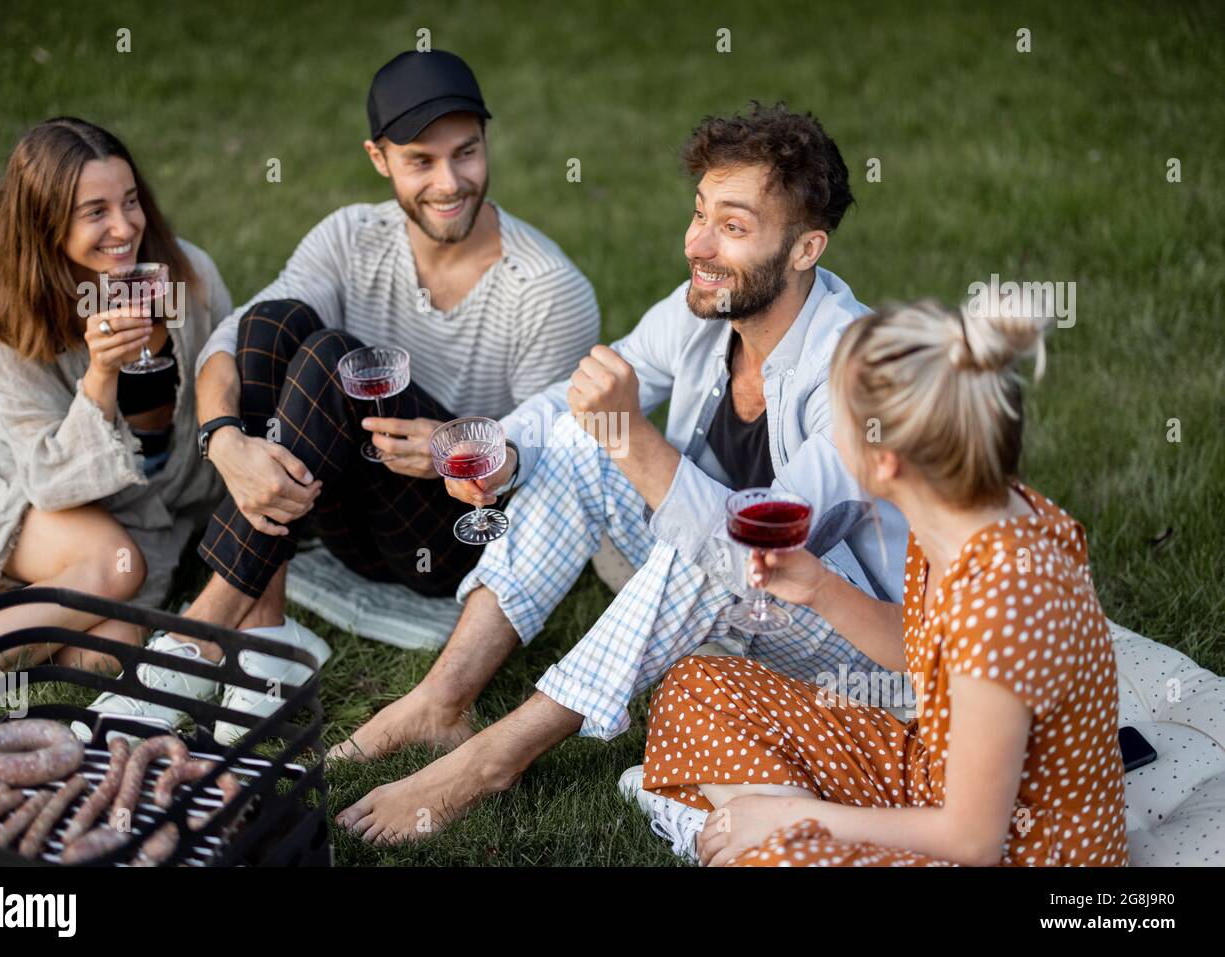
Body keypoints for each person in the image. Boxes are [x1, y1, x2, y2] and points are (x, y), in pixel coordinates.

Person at [333, 103, 911, 843]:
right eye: (699, 212)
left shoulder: (865, 371)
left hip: (857, 650)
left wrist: (633, 435)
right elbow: (587, 394)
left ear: (806, 249)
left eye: (732, 226)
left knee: (732, 544)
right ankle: (444, 699)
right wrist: (506, 449)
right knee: (582, 442)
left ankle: (492, 760)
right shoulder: (706, 307)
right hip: (725, 610)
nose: (696, 243)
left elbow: (763, 551)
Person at [81, 50, 600, 743]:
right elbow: (233, 343)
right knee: (273, 324)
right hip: (341, 511)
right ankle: (264, 635)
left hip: (456, 538)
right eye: (421, 160)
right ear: (378, 158)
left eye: (467, 153)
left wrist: (462, 457)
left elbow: (559, 474)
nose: (451, 182)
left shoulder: (549, 289)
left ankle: (200, 635)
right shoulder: (351, 236)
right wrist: (225, 441)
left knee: (333, 358)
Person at [638, 299, 1128, 866]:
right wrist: (819, 586)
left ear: (886, 461)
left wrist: (790, 820)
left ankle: (748, 826)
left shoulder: (1004, 604)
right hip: (936, 775)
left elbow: (974, 842)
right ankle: (748, 824)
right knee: (697, 683)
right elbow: (919, 648)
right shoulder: (966, 510)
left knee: (776, 858)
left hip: (1020, 854)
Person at [0, 117, 231, 679]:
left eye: (131, 201)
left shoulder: (189, 277)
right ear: (45, 223)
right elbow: (49, 479)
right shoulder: (7, 315)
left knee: (107, 646)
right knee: (114, 567)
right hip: (31, 489)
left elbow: (229, 386)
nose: (124, 226)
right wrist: (100, 374)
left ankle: (29, 602)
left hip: (139, 508)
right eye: (96, 212)